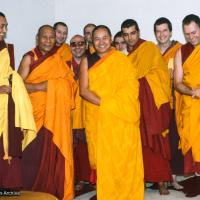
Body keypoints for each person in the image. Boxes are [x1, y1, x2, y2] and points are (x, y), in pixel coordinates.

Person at [80, 25, 144, 200]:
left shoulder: (122, 60)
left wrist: (111, 105)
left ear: (111, 38)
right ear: (92, 41)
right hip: (98, 115)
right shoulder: (88, 60)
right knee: (105, 160)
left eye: (105, 38)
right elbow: (83, 91)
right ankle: (108, 194)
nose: (101, 42)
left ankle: (127, 194)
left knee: (124, 158)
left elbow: (132, 89)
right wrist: (107, 104)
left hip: (122, 117)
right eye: (97, 39)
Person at [18, 25, 76, 200]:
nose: (48, 40)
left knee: (53, 156)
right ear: (37, 38)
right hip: (34, 116)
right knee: (32, 157)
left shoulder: (58, 59)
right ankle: (29, 192)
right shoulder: (29, 57)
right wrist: (43, 87)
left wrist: (53, 87)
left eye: (51, 37)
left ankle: (51, 191)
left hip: (54, 117)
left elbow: (71, 85)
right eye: (45, 37)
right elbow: (18, 86)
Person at [121, 19, 172, 195]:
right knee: (138, 143)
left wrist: (140, 84)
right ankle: (142, 177)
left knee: (156, 140)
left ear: (139, 32)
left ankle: (162, 180)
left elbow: (161, 74)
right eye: (126, 34)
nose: (130, 37)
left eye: (132, 33)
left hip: (151, 103)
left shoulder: (149, 48)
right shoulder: (125, 57)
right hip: (134, 105)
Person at [0, 12, 36, 190]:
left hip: (7, 106)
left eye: (5, 26)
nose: (4, 30)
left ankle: (8, 191)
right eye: (1, 26)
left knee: (9, 148)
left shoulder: (5, 48)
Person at [154, 17, 183, 190]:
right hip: (157, 103)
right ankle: (160, 176)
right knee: (160, 142)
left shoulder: (179, 49)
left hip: (175, 101)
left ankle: (173, 178)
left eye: (165, 30)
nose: (162, 34)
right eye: (158, 31)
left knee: (174, 140)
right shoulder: (151, 51)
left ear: (170, 32)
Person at [174, 14, 200, 197]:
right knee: (193, 146)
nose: (191, 37)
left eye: (194, 32)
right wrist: (192, 92)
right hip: (191, 104)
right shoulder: (181, 52)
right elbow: (177, 82)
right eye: (187, 34)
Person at [67, 35, 93, 196]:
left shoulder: (92, 63)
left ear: (85, 45)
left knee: (87, 149)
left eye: (80, 43)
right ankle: (76, 178)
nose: (77, 46)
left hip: (87, 112)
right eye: (73, 44)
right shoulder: (63, 65)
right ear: (70, 47)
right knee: (73, 150)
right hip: (70, 114)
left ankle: (86, 179)